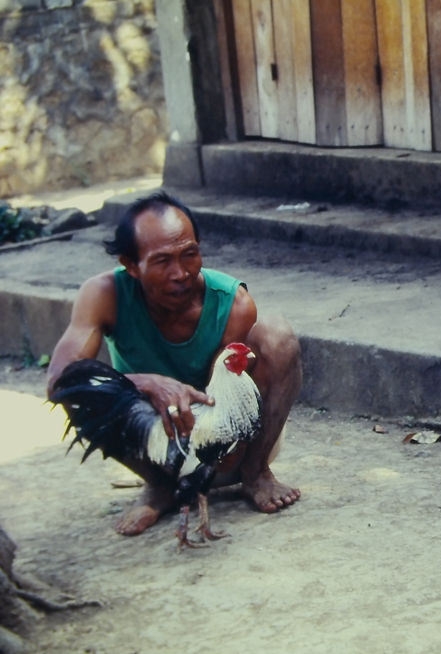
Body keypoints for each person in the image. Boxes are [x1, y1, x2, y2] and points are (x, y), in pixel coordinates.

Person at [46, 191, 301, 536]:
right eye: (162, 261)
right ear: (131, 265)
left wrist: (228, 450)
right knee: (79, 390)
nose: (180, 273)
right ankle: (159, 486)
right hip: (150, 446)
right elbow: (59, 380)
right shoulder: (104, 294)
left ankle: (256, 475)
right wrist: (148, 383)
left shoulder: (232, 303)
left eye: (190, 254)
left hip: (231, 448)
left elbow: (220, 406)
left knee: (278, 335)